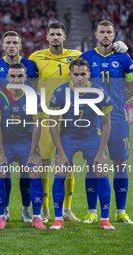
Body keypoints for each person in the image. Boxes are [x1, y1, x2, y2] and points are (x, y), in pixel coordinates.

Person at [49, 58, 114, 230]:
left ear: (88, 74)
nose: (79, 78)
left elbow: (107, 123)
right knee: (61, 171)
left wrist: (101, 152)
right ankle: (58, 219)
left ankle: (105, 219)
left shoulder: (99, 92)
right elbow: (53, 123)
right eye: (76, 74)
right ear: (70, 75)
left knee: (101, 169)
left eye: (83, 74)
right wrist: (61, 153)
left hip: (92, 136)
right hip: (68, 137)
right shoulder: (60, 92)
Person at [29, 22, 82, 222]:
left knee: (68, 163)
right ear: (47, 37)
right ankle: (44, 210)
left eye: (59, 34)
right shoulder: (36, 57)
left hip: (69, 118)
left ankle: (67, 209)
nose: (55, 37)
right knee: (44, 162)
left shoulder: (76, 56)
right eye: (52, 34)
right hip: (45, 116)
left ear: (64, 37)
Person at [81, 20, 133, 224]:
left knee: (120, 164)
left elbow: (131, 86)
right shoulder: (85, 58)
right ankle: (92, 211)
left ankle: (121, 211)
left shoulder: (124, 58)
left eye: (108, 32)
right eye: (101, 32)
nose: (105, 35)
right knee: (92, 163)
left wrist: (116, 103)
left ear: (114, 35)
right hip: (92, 120)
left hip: (119, 118)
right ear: (96, 34)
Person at [0, 31, 38, 223]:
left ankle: (30, 213)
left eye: (15, 42)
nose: (11, 45)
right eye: (7, 42)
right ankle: (4, 212)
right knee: (2, 172)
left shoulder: (32, 69)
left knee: (31, 172)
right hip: (6, 134)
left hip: (26, 135)